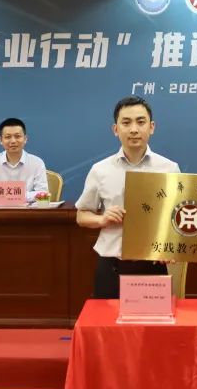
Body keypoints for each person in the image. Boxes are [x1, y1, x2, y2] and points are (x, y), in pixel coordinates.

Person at [76, 96, 179, 299]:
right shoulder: (100, 170)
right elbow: (81, 215)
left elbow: (177, 218)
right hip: (111, 265)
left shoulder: (169, 168)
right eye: (126, 123)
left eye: (140, 122)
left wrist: (169, 245)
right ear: (115, 129)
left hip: (152, 265)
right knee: (107, 320)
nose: (134, 129)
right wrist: (102, 219)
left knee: (152, 321)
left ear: (152, 127)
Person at [0, 117, 49, 203]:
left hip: (27, 210)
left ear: (25, 139)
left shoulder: (37, 163)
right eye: (8, 137)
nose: (13, 141)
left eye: (17, 136)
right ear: (0, 140)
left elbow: (43, 193)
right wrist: (16, 197)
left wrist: (5, 196)